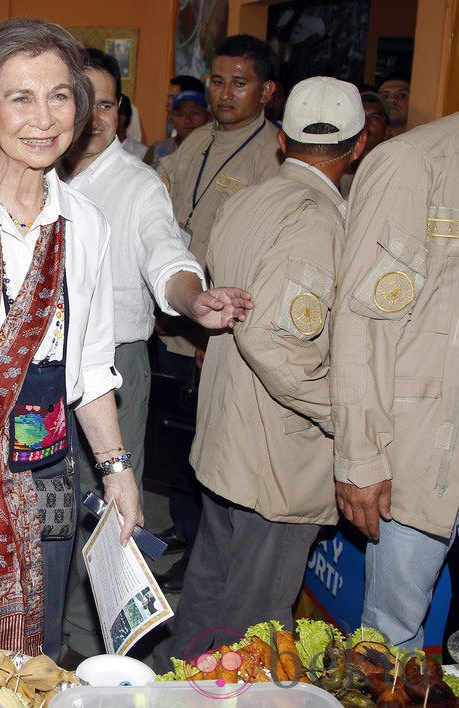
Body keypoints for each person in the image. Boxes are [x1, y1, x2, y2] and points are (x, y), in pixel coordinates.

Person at [0, 18, 246, 659]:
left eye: (60, 96)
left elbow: (90, 369)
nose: (43, 118)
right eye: (21, 97)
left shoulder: (86, 224)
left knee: (29, 653)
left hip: (47, 460)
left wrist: (119, 472)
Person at [154, 77, 367, 670]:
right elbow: (278, 343)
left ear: (282, 139)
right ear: (360, 143)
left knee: (208, 601)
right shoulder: (317, 220)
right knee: (254, 627)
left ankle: (176, 686)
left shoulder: (251, 197)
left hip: (230, 437)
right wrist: (349, 418)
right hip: (278, 454)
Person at [58, 47, 251, 665]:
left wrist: (194, 302)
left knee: (109, 510)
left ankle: (92, 655)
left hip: (112, 370)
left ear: (121, 112)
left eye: (106, 105)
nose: (92, 117)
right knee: (36, 507)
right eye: (77, 101)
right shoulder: (32, 172)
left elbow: (167, 257)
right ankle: (33, 640)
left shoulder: (137, 184)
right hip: (35, 370)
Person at [153, 34, 283, 593]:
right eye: (217, 80)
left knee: (211, 438)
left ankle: (206, 545)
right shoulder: (196, 139)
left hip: (219, 324)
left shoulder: (271, 156)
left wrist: (215, 331)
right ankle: (182, 526)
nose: (225, 93)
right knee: (172, 431)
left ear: (267, 90)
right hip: (174, 312)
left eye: (240, 82)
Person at [331, 109, 459, 649]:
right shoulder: (414, 164)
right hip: (427, 444)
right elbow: (364, 324)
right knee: (391, 638)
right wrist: (360, 457)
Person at [339, 91, 390, 198]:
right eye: (360, 116)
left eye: (375, 117)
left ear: (387, 132)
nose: (365, 123)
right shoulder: (333, 167)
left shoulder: (388, 173)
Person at [144, 90, 209, 168]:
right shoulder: (157, 149)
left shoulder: (216, 151)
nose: (187, 120)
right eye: (180, 114)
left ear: (208, 117)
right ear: (172, 118)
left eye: (194, 113)